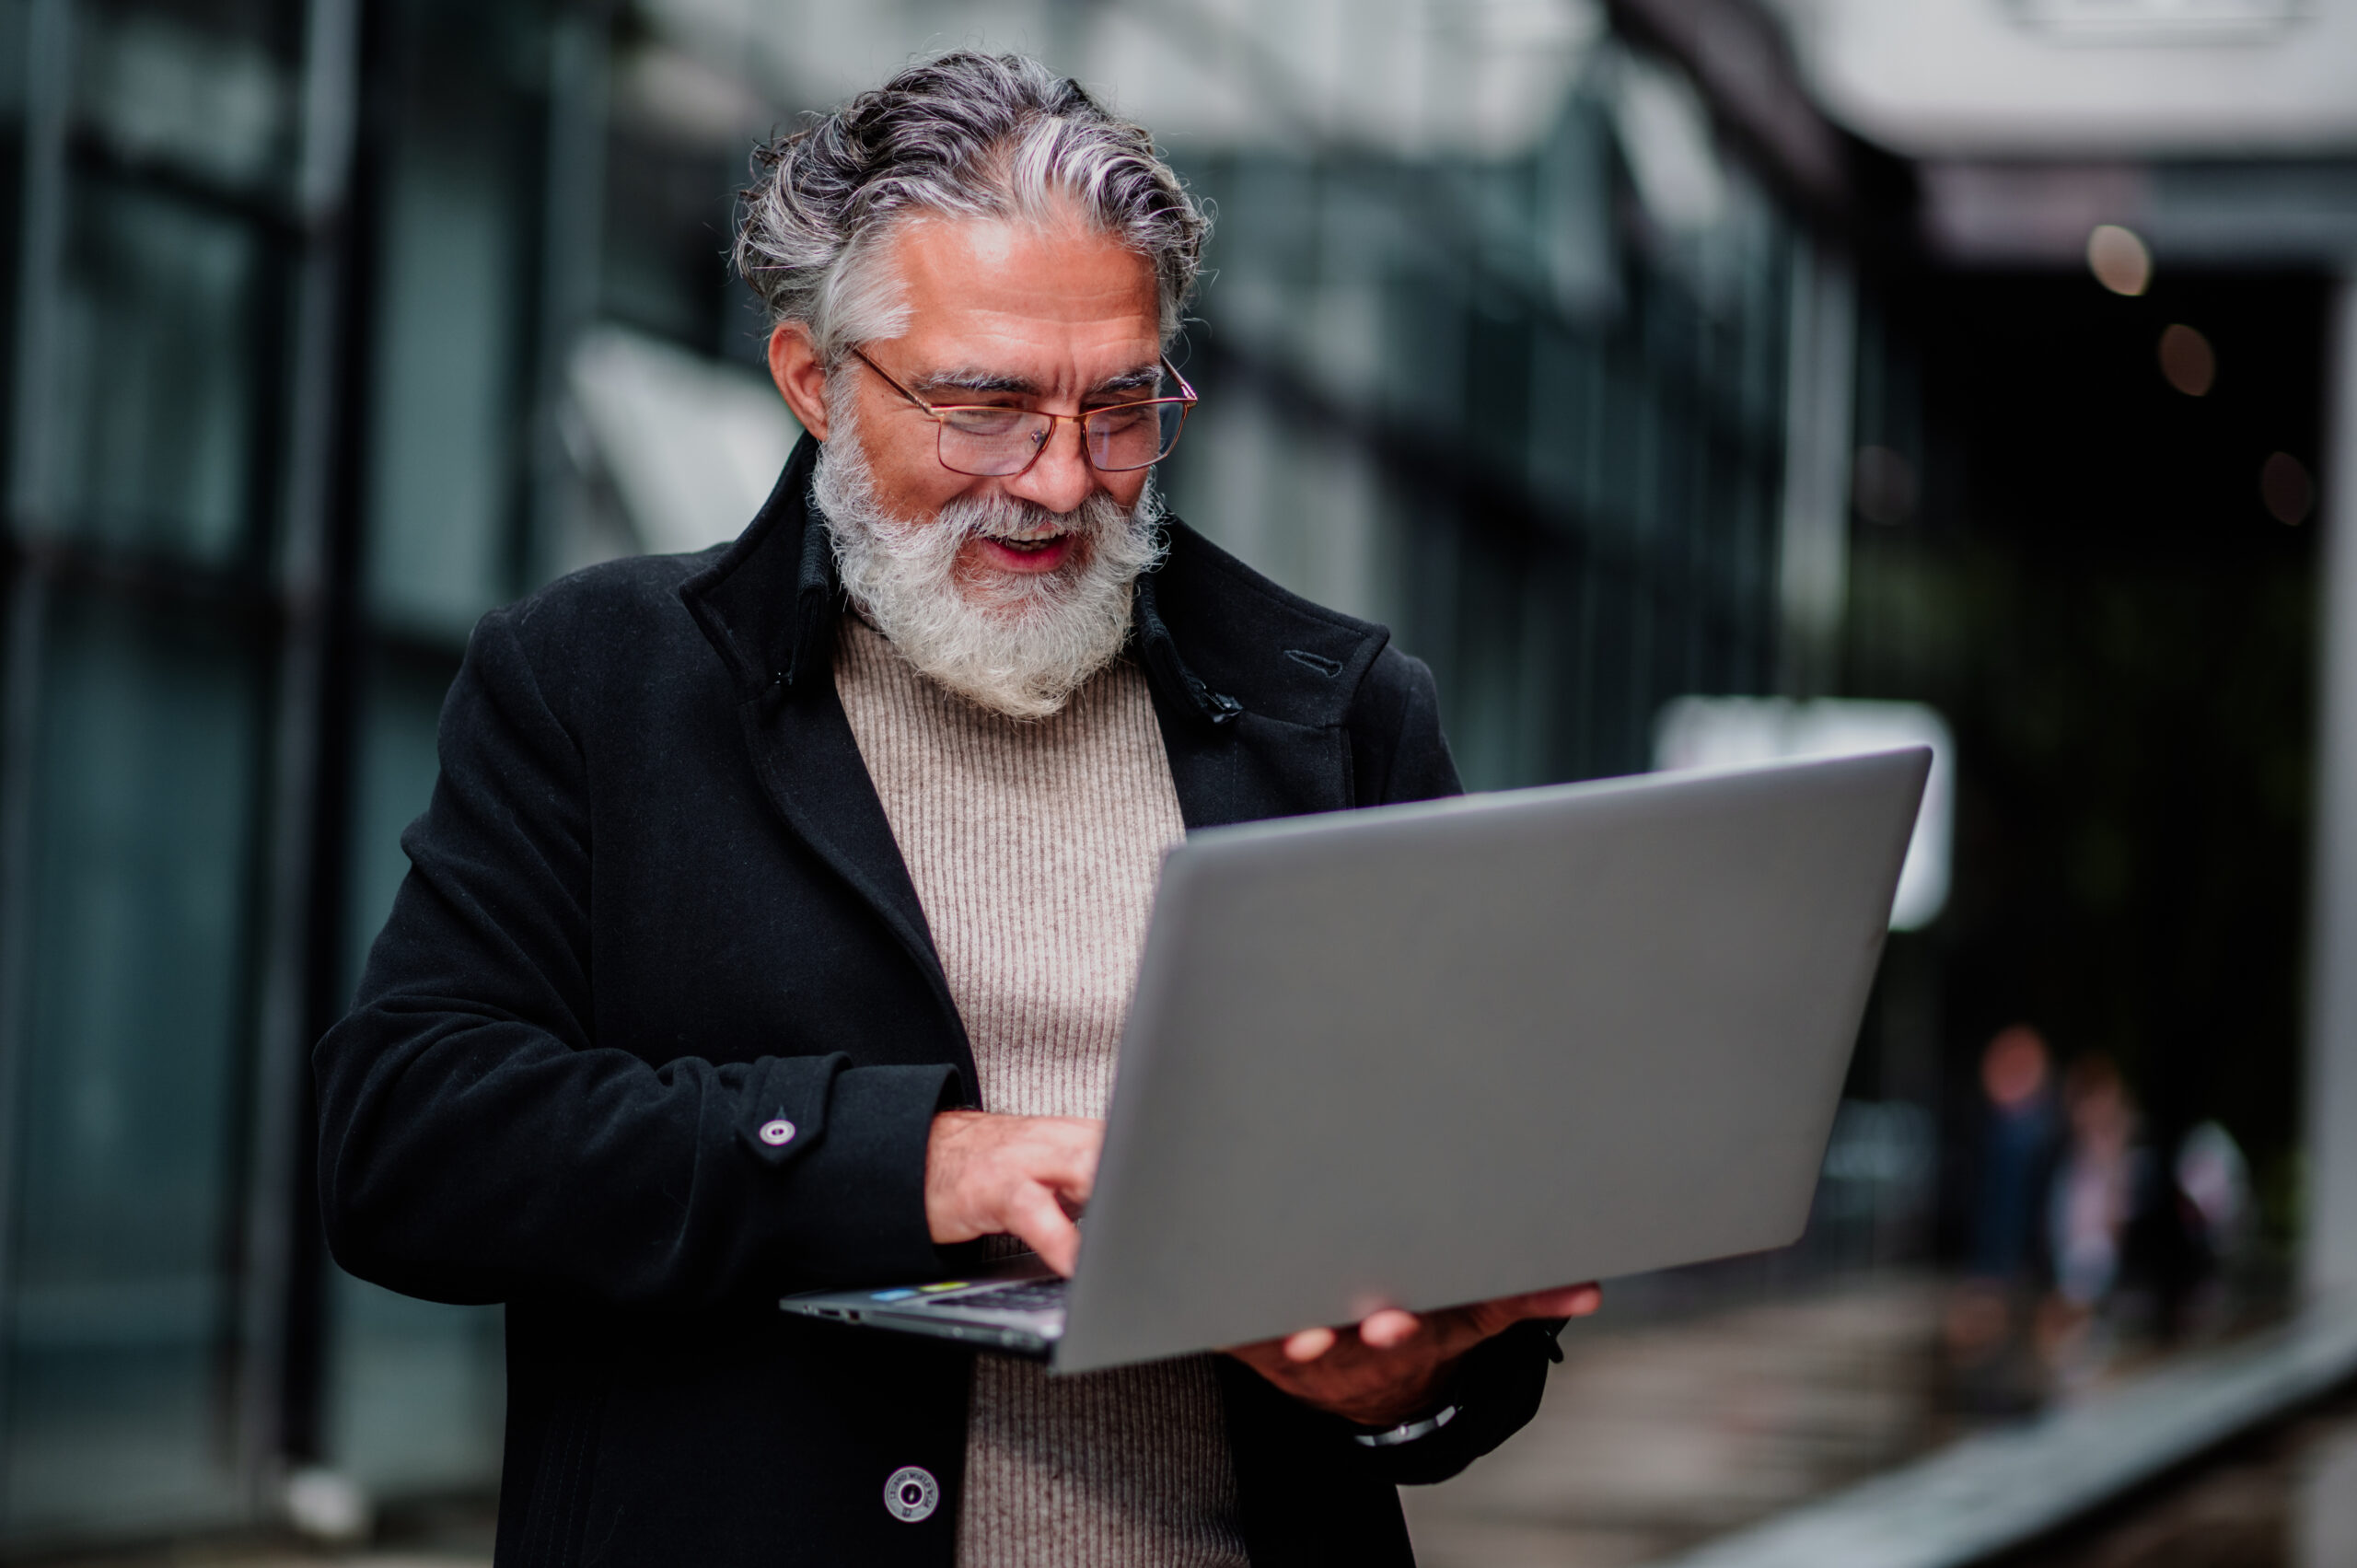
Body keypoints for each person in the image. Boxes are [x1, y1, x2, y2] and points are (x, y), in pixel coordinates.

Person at [315, 52, 1596, 1567]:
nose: (1060, 480)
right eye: (986, 407)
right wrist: (915, 1164)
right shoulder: (598, 686)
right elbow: (413, 1144)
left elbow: (1474, 1241)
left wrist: (1407, 1385)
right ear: (813, 381)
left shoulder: (1345, 714)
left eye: (1120, 406)